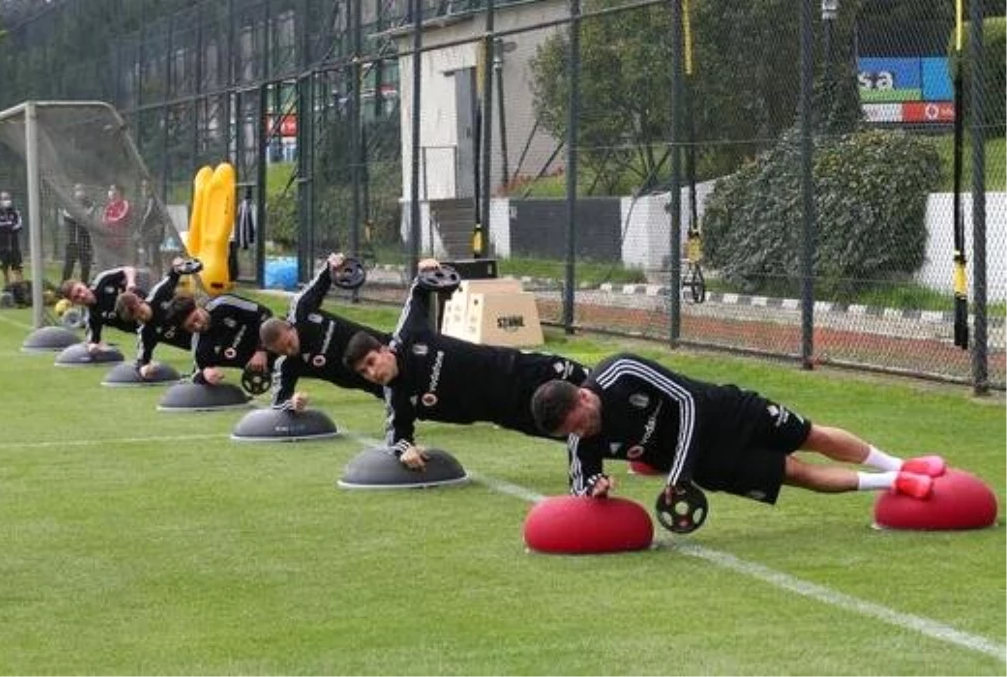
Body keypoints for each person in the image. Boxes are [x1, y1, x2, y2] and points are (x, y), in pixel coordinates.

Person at [528, 352, 947, 505]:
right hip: (713, 462)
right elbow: (580, 485)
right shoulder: (579, 437)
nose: (580, 435)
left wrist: (678, 474)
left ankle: (899, 462)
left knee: (810, 435)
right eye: (570, 434)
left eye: (579, 425)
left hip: (723, 411)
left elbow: (687, 399)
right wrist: (593, 493)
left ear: (583, 398)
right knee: (797, 473)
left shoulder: (620, 371)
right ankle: (896, 482)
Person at [344, 260, 588, 470]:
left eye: (371, 362)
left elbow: (419, 289)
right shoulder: (398, 398)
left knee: (593, 386)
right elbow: (397, 437)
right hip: (509, 412)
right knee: (578, 431)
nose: (372, 373)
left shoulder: (409, 335)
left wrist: (426, 267)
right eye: (364, 372)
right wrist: (404, 451)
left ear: (383, 349)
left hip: (519, 368)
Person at [259, 253, 388, 412]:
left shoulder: (301, 310)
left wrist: (333, 262)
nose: (290, 351)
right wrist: (293, 403)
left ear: (289, 325)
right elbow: (278, 403)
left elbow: (324, 277)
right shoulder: (286, 364)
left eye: (289, 343)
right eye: (282, 351)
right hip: (370, 382)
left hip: (384, 347)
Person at [115, 257, 201, 379]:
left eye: (140, 311)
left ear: (139, 300)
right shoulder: (146, 332)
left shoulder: (158, 293)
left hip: (204, 321)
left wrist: (179, 264)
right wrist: (144, 369)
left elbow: (174, 273)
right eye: (136, 317)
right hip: (198, 345)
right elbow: (142, 359)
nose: (141, 317)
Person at [164, 293, 273, 386]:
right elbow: (196, 376)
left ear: (198, 306)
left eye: (196, 318)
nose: (198, 326)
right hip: (271, 371)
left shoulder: (224, 304)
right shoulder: (200, 348)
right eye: (190, 327)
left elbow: (265, 314)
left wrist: (261, 350)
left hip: (280, 343)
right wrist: (206, 375)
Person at [59, 265, 143, 351]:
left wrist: (130, 282)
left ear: (82, 284)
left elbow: (129, 269)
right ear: (75, 303)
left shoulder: (102, 280)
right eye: (76, 297)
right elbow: (93, 342)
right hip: (143, 328)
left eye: (79, 290)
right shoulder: (92, 317)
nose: (82, 295)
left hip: (150, 306)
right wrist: (97, 348)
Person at [61, 183, 95, 283]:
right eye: (77, 190)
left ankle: (84, 284)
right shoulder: (68, 205)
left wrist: (81, 214)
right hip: (71, 242)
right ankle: (64, 285)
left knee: (85, 265)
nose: (79, 193)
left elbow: (86, 217)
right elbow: (69, 216)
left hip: (85, 241)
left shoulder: (90, 205)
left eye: (81, 190)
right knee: (68, 265)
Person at [0, 189, 23, 289]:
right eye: (4, 198)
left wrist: (9, 227)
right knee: (4, 269)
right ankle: (7, 288)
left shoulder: (16, 212)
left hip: (14, 246)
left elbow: (19, 225)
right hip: (2, 246)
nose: (7, 200)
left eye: (8, 198)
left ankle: (20, 289)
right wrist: (9, 226)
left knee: (18, 268)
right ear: (0, 201)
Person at [102, 183, 131, 261]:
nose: (110, 192)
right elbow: (104, 220)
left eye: (112, 189)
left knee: (120, 264)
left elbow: (121, 218)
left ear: (119, 192)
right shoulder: (109, 206)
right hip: (109, 240)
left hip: (122, 240)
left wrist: (110, 221)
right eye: (110, 190)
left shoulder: (125, 203)